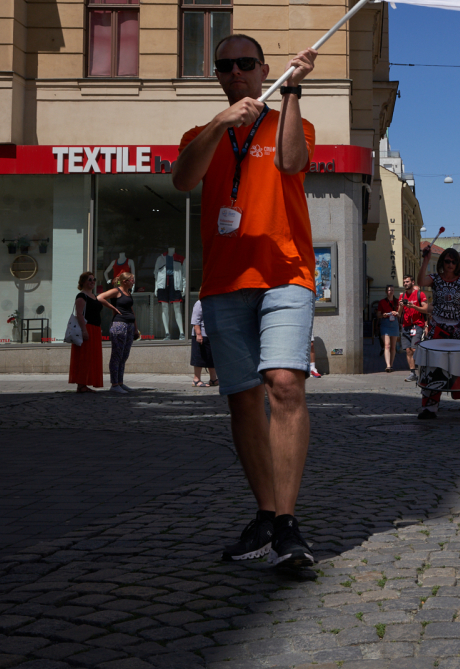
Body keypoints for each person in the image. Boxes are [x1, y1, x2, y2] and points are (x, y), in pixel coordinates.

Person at [172, 33, 320, 569]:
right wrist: (219, 123)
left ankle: (287, 523)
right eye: (225, 66)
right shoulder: (201, 135)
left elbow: (291, 163)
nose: (236, 72)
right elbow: (182, 180)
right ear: (217, 75)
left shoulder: (291, 121)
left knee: (284, 383)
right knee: (241, 399)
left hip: (286, 274)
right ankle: (266, 515)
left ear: (262, 70)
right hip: (224, 281)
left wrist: (293, 91)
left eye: (246, 63)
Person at [416, 245, 460, 418]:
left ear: (457, 264)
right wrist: (426, 261)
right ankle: (430, 407)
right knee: (432, 365)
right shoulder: (435, 279)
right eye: (447, 261)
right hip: (437, 328)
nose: (450, 264)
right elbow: (420, 282)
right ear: (442, 262)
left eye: (453, 262)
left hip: (457, 329)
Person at [98, 273, 140, 395]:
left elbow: (131, 310)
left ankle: (120, 382)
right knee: (117, 355)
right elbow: (100, 297)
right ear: (125, 281)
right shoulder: (117, 291)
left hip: (130, 325)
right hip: (119, 325)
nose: (133, 282)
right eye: (131, 280)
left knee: (124, 355)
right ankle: (114, 384)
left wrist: (136, 328)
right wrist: (113, 308)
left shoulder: (128, 292)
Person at [68, 271, 104, 393]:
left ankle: (85, 383)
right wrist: (84, 330)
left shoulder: (94, 296)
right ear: (83, 282)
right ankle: (81, 384)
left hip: (95, 329)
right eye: (89, 279)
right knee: (84, 356)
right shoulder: (81, 296)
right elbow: (79, 314)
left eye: (94, 279)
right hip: (87, 328)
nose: (92, 282)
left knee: (92, 357)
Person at [399, 276, 427, 382]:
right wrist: (400, 306)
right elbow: (399, 313)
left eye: (407, 281)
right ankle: (413, 373)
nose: (405, 283)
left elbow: (426, 309)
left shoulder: (420, 294)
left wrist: (413, 306)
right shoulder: (402, 296)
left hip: (417, 325)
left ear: (412, 282)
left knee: (414, 349)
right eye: (404, 282)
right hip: (406, 326)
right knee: (408, 350)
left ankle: (422, 370)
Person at [190, 297, 217, 388]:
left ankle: (213, 379)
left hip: (211, 335)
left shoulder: (214, 303)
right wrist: (198, 334)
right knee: (199, 357)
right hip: (201, 334)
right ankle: (196, 380)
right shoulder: (199, 303)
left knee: (211, 358)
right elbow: (195, 320)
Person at [375, 286, 399, 371]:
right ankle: (388, 365)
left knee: (393, 346)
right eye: (389, 290)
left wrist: (396, 313)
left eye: (392, 290)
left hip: (394, 323)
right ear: (386, 291)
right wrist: (383, 315)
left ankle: (391, 364)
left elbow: (400, 314)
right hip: (385, 323)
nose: (391, 291)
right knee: (387, 345)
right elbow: (378, 315)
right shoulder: (382, 302)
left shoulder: (397, 301)